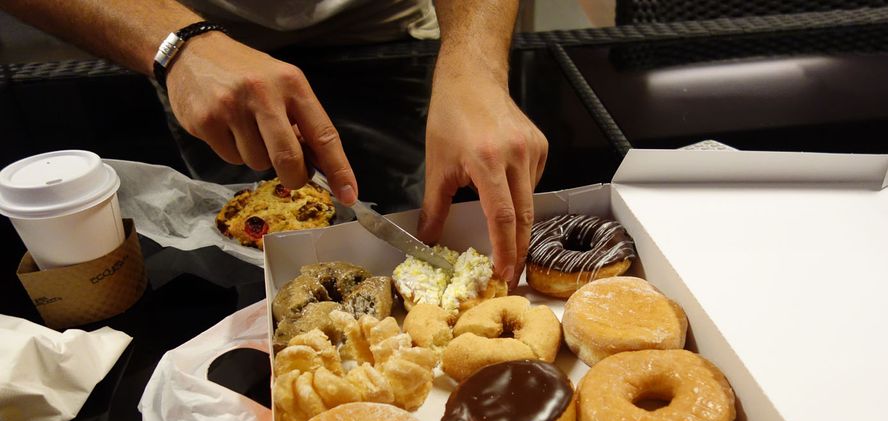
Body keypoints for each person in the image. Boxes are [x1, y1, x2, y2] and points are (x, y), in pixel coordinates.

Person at [0, 1, 548, 285]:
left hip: (380, 34)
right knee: (235, 282)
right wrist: (175, 45)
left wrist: (475, 65)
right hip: (140, 38)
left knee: (412, 229)